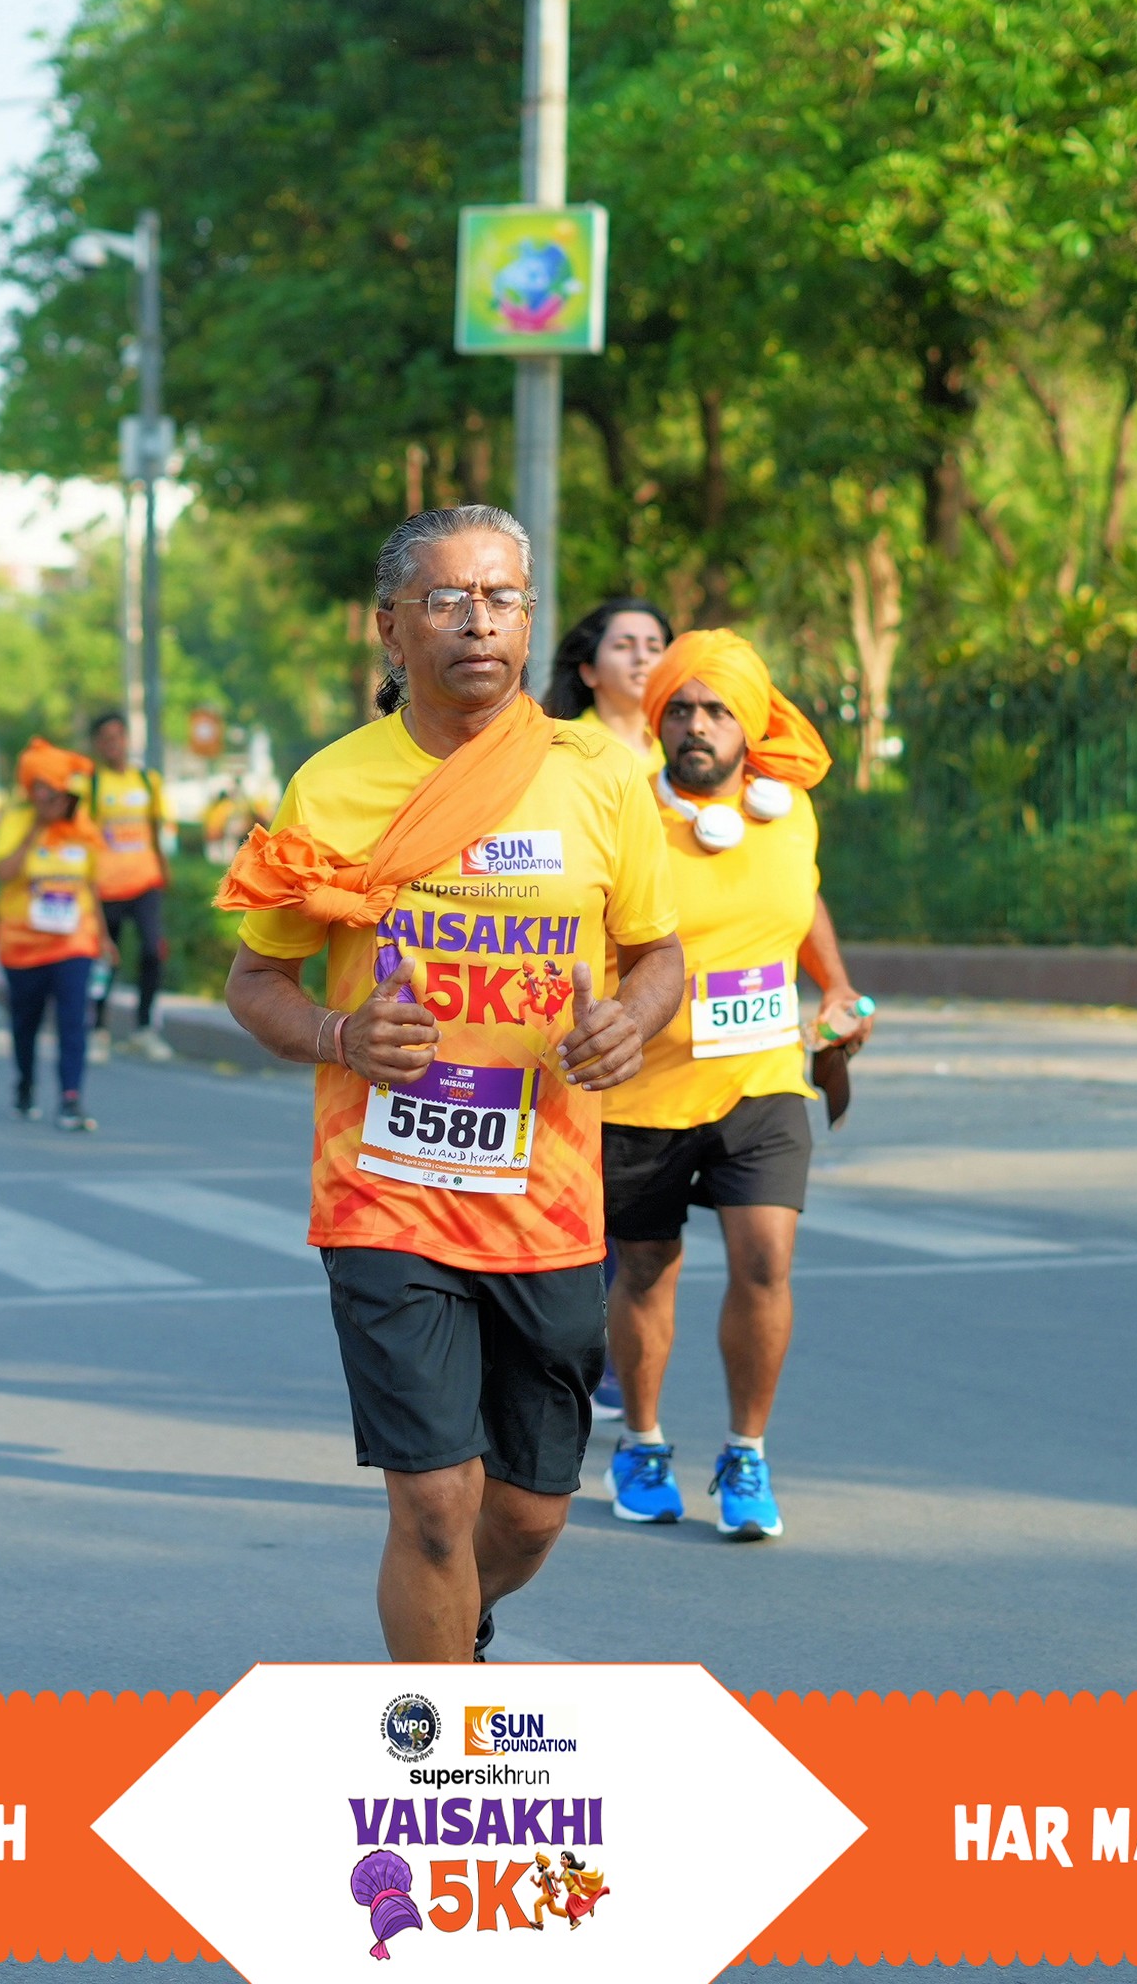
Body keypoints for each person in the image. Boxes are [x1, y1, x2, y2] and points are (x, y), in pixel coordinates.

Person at [220, 504, 682, 1663]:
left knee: (526, 1513)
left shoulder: (598, 774)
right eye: (447, 598)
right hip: (385, 1189)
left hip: (547, 1197)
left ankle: (457, 1622)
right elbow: (255, 981)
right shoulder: (330, 785)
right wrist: (340, 1033)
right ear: (390, 627)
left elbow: (660, 955)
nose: (479, 620)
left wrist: (627, 1023)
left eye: (501, 597)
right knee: (433, 1501)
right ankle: (435, 1732)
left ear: (527, 620)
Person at [597, 631, 869, 1543]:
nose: (697, 726)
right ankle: (641, 1442)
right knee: (645, 1270)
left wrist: (835, 986)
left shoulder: (787, 813)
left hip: (763, 1080)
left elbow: (803, 897)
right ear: (658, 720)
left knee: (766, 1261)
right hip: (643, 1090)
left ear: (750, 724)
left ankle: (746, 1453)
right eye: (680, 709)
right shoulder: (628, 817)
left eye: (717, 710)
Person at [0, 738, 105, 1126]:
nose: (45, 797)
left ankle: (71, 1098)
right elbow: (3, 872)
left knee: (74, 1019)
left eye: (52, 790)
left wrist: (103, 938)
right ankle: (24, 1085)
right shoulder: (17, 821)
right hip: (22, 943)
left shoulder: (84, 829)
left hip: (74, 941)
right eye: (38, 789)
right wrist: (35, 830)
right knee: (26, 1021)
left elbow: (92, 884)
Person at [83, 709, 174, 1059]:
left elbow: (155, 829)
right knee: (105, 961)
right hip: (105, 888)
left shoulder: (147, 782)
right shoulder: (91, 786)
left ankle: (144, 1027)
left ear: (127, 739)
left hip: (145, 883)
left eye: (118, 737)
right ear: (97, 744)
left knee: (152, 951)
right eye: (106, 739)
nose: (114, 744)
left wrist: (164, 870)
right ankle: (97, 1029)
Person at [540, 598, 673, 762]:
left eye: (653, 648)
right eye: (623, 646)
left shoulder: (675, 749)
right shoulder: (565, 744)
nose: (642, 657)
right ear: (589, 671)